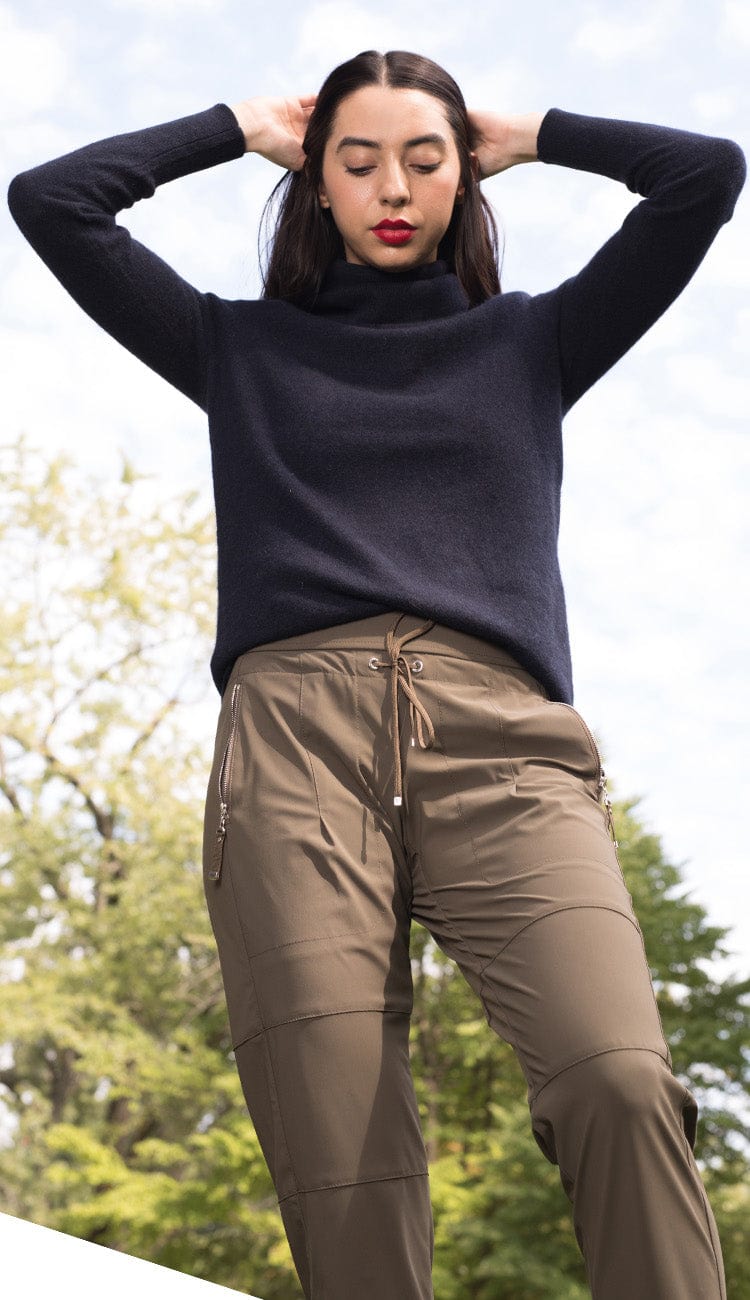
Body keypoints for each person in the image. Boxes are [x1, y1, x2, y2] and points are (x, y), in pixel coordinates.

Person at [8, 46, 745, 1300]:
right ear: (315, 182)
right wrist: (235, 124)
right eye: (356, 161)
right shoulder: (235, 349)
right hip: (294, 754)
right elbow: (50, 200)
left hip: (505, 750)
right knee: (348, 1175)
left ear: (465, 176)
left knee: (619, 1077)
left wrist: (531, 129)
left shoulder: (538, 343)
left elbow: (704, 175)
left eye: (423, 158)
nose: (392, 186)